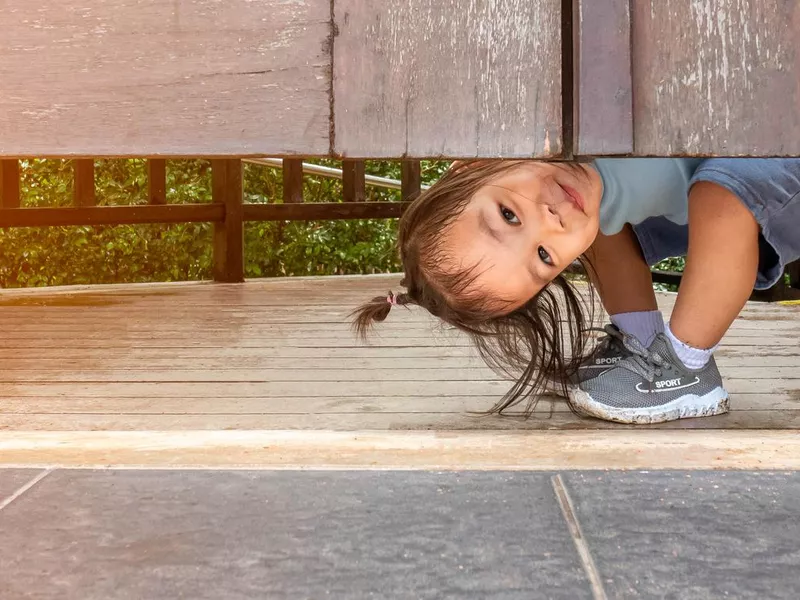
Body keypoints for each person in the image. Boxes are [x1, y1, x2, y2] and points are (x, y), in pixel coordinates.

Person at [352, 158, 800, 423]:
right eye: (544, 258)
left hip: (775, 137)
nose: (551, 218)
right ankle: (646, 343)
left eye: (509, 215)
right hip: (750, 178)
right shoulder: (575, 196)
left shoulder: (557, 104)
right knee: (591, 228)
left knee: (721, 192)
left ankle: (686, 366)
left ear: (472, 164)